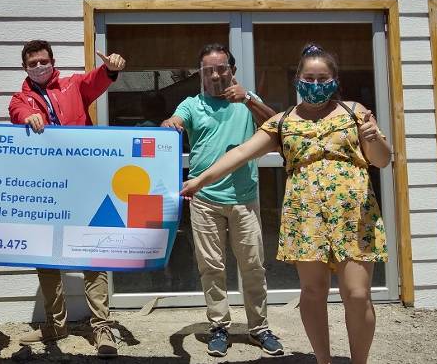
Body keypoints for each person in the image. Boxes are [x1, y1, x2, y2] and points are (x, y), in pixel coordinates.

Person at [180, 44, 391, 364]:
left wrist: (375, 138)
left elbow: (383, 160)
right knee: (313, 294)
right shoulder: (284, 121)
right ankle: (324, 360)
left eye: (323, 78)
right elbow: (240, 154)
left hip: (354, 217)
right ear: (298, 79)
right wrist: (199, 180)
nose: (316, 84)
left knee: (358, 294)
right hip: (306, 218)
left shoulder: (355, 112)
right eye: (310, 77)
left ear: (335, 80)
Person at [161, 43, 283, 358]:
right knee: (212, 267)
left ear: (232, 70)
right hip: (204, 199)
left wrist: (250, 99)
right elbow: (170, 124)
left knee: (253, 266)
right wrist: (170, 125)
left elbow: (278, 128)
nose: (215, 75)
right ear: (200, 73)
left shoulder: (247, 100)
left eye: (221, 69)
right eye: (208, 70)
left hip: (244, 198)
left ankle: (259, 328)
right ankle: (219, 327)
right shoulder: (191, 104)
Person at [8, 39, 125, 359]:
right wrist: (28, 117)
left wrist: (110, 70)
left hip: (85, 182)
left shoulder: (74, 85)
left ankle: (101, 325)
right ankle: (56, 324)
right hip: (46, 188)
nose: (39, 67)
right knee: (46, 256)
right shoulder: (21, 98)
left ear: (52, 61)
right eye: (32, 63)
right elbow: (18, 112)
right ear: (25, 67)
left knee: (93, 253)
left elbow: (96, 80)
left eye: (43, 61)